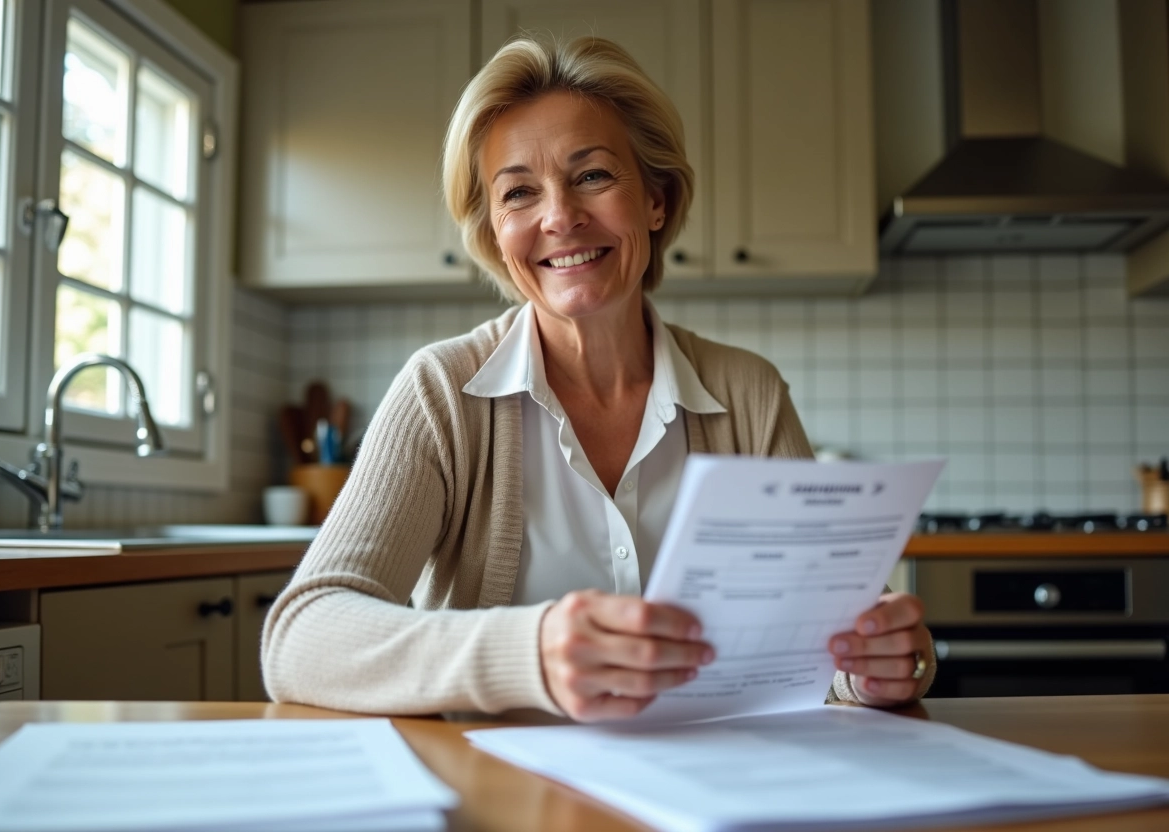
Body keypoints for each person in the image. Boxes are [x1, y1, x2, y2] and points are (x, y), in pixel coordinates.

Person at [262, 35, 934, 721]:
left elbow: (827, 641)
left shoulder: (749, 394)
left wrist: (874, 668)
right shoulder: (442, 391)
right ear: (496, 233)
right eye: (519, 192)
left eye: (593, 176)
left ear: (657, 201)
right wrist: (531, 650)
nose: (559, 217)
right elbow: (300, 638)